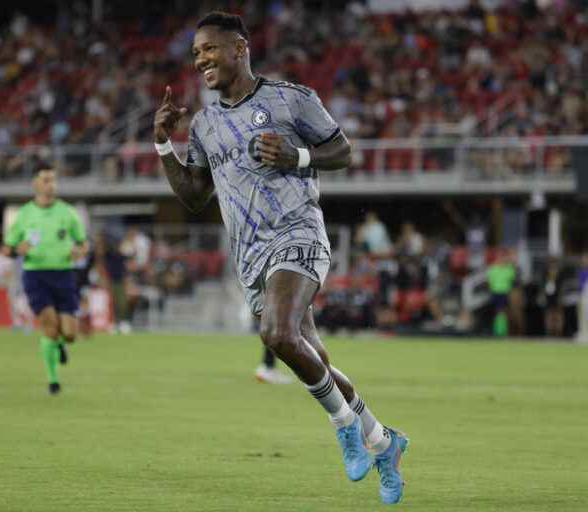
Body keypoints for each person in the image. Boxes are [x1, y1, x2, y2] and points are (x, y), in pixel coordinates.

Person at [152, 11, 407, 504]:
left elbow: (344, 151)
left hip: (297, 232)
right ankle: (382, 440)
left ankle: (343, 426)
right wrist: (164, 142)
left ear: (240, 48)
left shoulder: (291, 99)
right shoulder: (204, 124)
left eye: (210, 49)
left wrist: (298, 157)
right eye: (196, 53)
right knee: (315, 358)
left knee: (276, 334)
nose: (201, 59)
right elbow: (193, 195)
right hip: (249, 255)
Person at [2, 164, 88, 394]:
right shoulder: (23, 215)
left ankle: (60, 345)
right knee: (49, 326)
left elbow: (82, 242)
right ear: (36, 184)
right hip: (36, 275)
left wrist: (80, 251)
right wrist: (16, 250)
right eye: (46, 180)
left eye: (53, 180)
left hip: (63, 274)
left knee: (69, 333)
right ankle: (53, 381)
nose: (51, 184)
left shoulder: (68, 213)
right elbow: (7, 249)